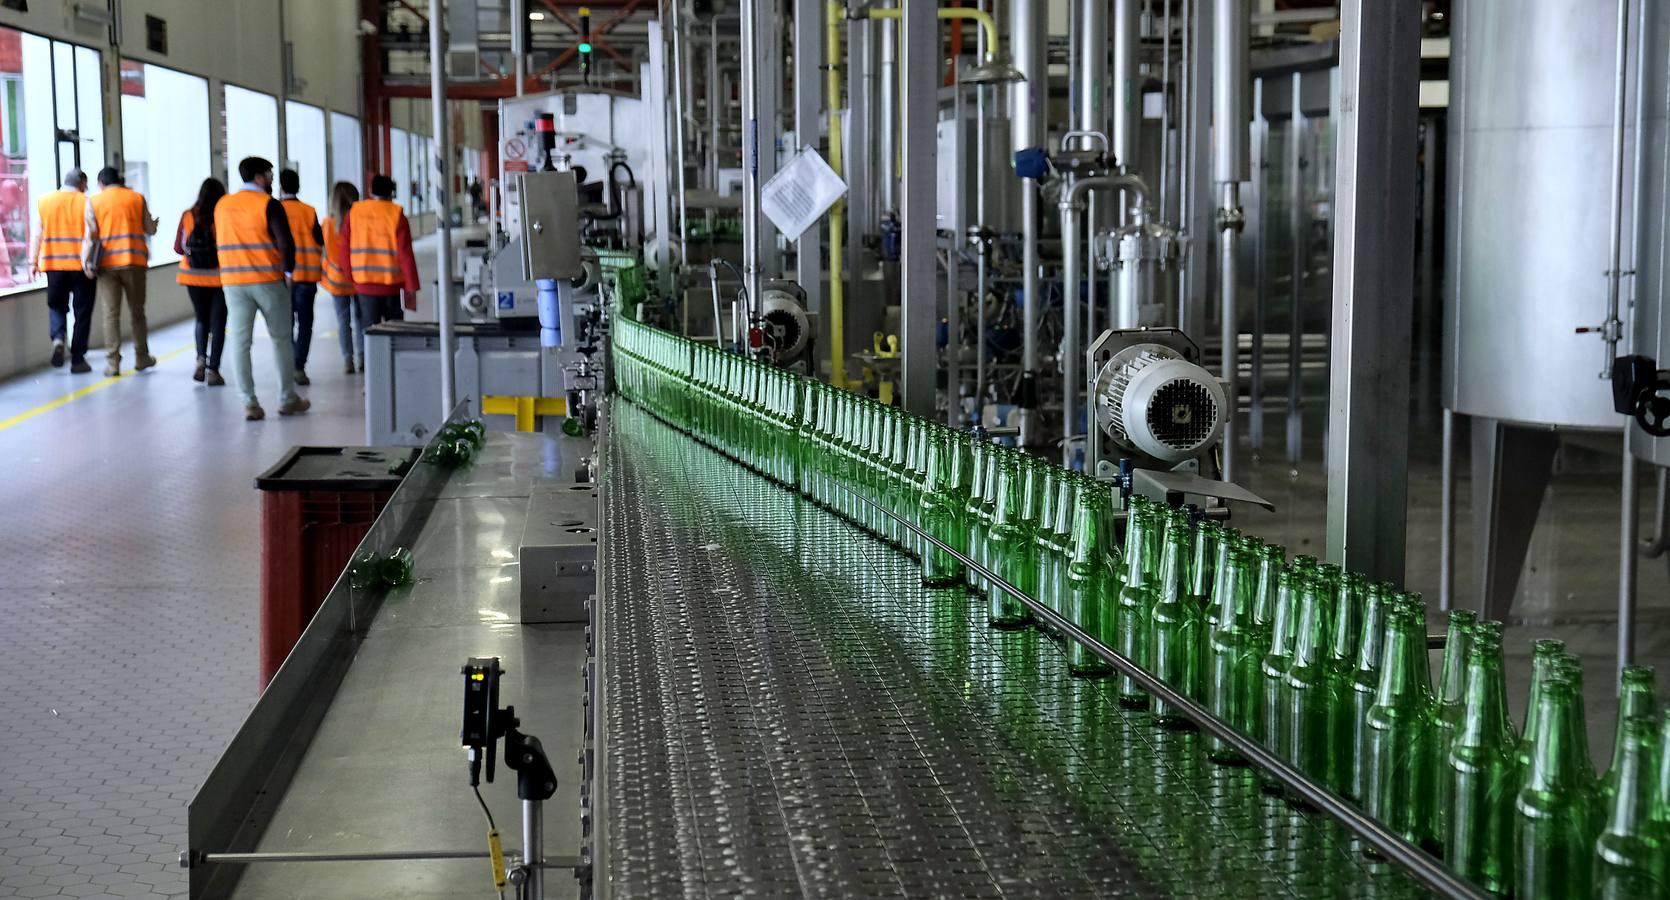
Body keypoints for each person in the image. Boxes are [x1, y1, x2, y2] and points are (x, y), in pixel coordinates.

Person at [215, 156, 308, 421]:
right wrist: (288, 271)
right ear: (258, 177)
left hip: (233, 282)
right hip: (267, 280)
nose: (270, 178)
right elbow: (285, 243)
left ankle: (249, 403)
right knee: (281, 339)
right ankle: (287, 398)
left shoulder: (223, 205)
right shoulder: (269, 204)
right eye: (268, 173)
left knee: (240, 343)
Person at [84, 166, 159, 377]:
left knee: (110, 314)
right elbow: (149, 229)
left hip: (107, 266)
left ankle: (113, 363)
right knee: (137, 313)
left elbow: (90, 236)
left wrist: (86, 263)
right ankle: (142, 357)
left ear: (101, 183)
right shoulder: (136, 198)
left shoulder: (95, 201)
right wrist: (154, 224)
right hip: (134, 262)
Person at [26, 168, 95, 373]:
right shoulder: (86, 201)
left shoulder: (45, 201)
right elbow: (91, 235)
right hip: (80, 268)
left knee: (57, 306)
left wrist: (32, 263)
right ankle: (78, 359)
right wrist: (90, 262)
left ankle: (58, 339)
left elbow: (36, 235)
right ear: (81, 184)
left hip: (53, 267)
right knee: (82, 312)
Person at [339, 174, 420, 330]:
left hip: (364, 285)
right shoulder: (397, 215)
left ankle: (371, 355)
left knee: (370, 333)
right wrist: (411, 285)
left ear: (370, 190)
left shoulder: (354, 213)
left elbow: (344, 248)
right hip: (392, 286)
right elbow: (405, 254)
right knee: (395, 332)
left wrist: (351, 277)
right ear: (391, 192)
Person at [174, 178, 228, 386]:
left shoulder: (188, 215)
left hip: (192, 275)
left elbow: (178, 248)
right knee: (218, 323)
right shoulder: (222, 216)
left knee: (201, 319)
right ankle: (214, 370)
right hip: (219, 276)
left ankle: (200, 360)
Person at [277, 169, 325, 386]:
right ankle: (299, 367)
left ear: (281, 186)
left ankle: (286, 368)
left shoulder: (274, 209)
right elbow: (319, 241)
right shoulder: (309, 211)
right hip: (306, 276)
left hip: (281, 280)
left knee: (284, 326)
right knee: (305, 324)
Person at [321, 181, 364, 374]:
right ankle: (363, 356)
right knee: (361, 319)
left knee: (342, 320)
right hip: (358, 275)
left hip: (337, 278)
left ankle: (348, 359)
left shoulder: (327, 223)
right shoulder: (359, 220)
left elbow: (326, 252)